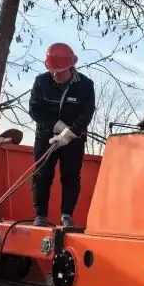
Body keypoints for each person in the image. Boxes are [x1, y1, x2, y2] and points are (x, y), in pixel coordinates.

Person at [28, 42, 96, 227]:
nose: (55, 75)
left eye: (60, 72)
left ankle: (67, 215)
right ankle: (40, 215)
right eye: (53, 71)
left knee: (71, 175)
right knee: (42, 173)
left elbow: (86, 113)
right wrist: (55, 125)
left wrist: (72, 131)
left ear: (71, 67)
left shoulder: (85, 85)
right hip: (46, 137)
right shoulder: (41, 82)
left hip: (74, 138)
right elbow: (35, 109)